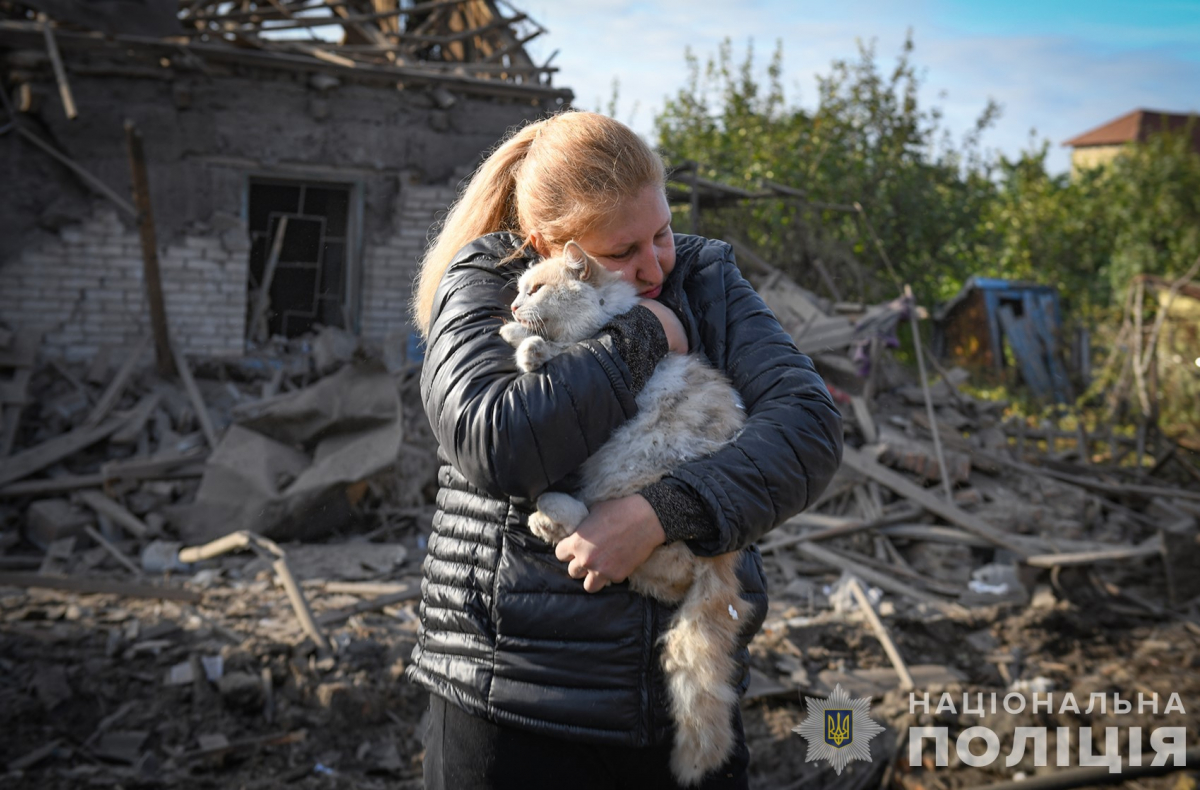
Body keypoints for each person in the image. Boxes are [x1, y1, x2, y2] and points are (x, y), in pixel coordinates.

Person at [407, 110, 843, 790]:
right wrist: (640, 339)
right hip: (516, 708)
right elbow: (496, 442)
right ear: (547, 243)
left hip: (679, 695)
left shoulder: (706, 280)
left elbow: (809, 426)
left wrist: (663, 511)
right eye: (620, 254)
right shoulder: (489, 284)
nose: (653, 266)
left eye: (662, 233)